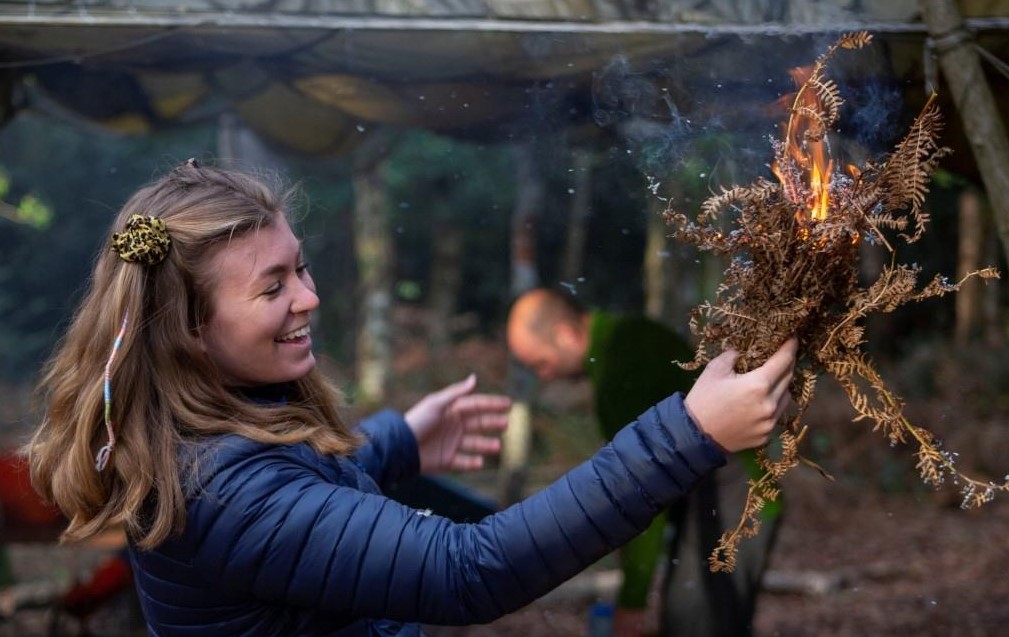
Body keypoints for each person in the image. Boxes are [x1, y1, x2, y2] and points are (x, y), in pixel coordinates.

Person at [27, 160, 797, 637]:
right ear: (189, 328)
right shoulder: (222, 493)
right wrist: (687, 431)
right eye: (273, 287)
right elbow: (471, 568)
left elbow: (297, 497)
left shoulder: (212, 431)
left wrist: (395, 440)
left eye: (300, 267)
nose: (309, 297)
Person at [507, 288, 782, 637]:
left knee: (693, 625)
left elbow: (641, 496)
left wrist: (632, 603)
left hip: (736, 501)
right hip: (729, 495)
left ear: (566, 334)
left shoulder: (618, 366)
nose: (544, 376)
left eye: (540, 364)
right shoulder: (630, 336)